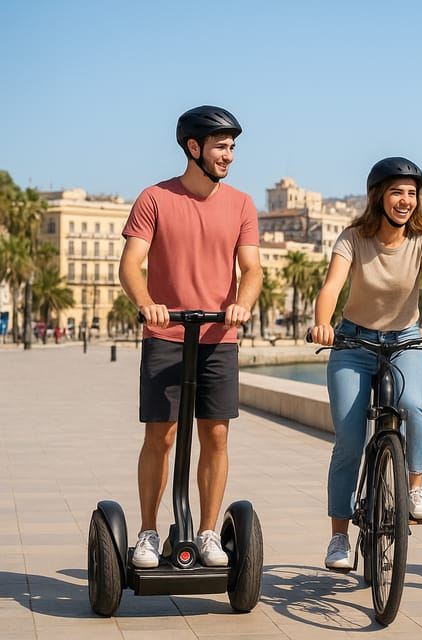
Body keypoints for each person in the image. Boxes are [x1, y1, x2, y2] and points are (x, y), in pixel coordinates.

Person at [119, 105, 263, 569]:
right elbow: (130, 264)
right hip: (166, 334)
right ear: (193, 147)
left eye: (233, 147)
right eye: (222, 146)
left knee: (216, 435)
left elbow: (252, 268)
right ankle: (146, 532)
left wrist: (242, 302)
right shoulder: (155, 199)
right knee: (160, 436)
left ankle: (206, 533)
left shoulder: (240, 203)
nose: (230, 156)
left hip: (219, 336)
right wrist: (146, 301)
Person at [310, 157, 422, 570]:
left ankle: (415, 487)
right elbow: (332, 287)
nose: (405, 201)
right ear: (379, 196)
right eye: (397, 192)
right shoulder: (353, 238)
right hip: (351, 342)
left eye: (412, 194)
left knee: (413, 404)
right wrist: (322, 324)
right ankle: (339, 539)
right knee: (348, 441)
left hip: (405, 342)